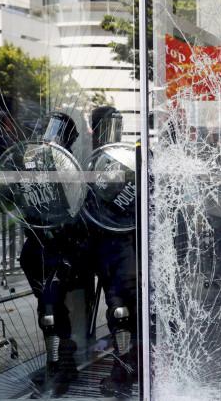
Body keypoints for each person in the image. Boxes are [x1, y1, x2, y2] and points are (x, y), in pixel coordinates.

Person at [18, 112, 90, 396]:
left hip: (61, 246)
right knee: (47, 310)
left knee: (50, 311)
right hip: (37, 246)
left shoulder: (69, 167)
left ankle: (61, 366)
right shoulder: (34, 163)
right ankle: (59, 364)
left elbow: (77, 210)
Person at [87, 106, 139, 397]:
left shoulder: (118, 160)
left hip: (120, 245)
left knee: (121, 311)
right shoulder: (95, 162)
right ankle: (126, 369)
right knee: (125, 311)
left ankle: (123, 373)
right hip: (117, 245)